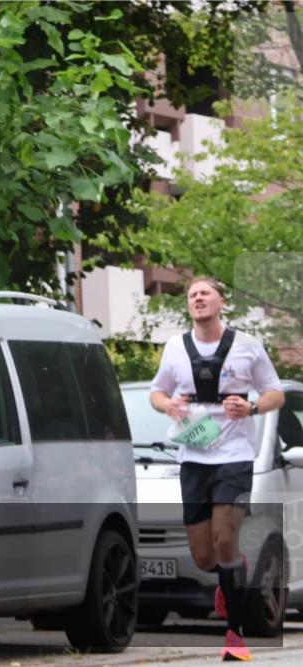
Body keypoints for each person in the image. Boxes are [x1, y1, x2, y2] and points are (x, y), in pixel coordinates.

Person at [150, 276, 284, 662]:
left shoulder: (246, 347)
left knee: (226, 539)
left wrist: (253, 407)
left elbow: (274, 392)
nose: (197, 298)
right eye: (192, 294)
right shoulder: (175, 347)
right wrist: (169, 405)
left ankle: (234, 636)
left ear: (221, 301)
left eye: (204, 292)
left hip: (234, 456)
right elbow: (157, 392)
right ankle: (232, 569)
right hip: (193, 457)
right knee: (205, 557)